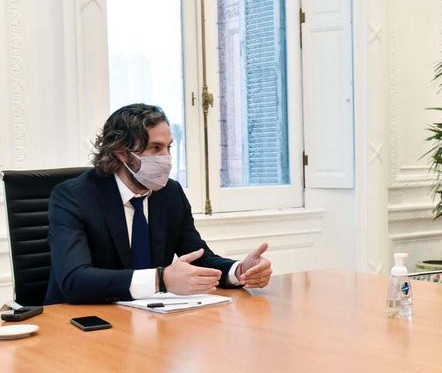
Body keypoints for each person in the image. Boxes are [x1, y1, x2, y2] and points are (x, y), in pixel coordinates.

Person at [45, 103, 272, 304]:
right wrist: (160, 280)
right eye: (155, 148)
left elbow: (198, 257)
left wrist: (239, 271)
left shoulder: (170, 193)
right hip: (80, 321)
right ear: (121, 153)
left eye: (168, 147)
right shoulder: (74, 196)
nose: (166, 158)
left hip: (150, 316)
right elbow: (75, 280)